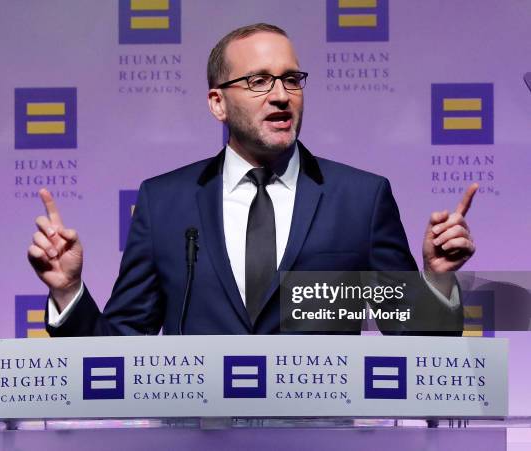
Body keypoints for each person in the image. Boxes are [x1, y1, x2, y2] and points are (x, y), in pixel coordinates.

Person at [27, 23, 477, 336]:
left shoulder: (361, 198)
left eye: (291, 79)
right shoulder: (164, 201)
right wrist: (67, 290)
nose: (281, 96)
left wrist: (436, 280)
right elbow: (118, 347)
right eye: (259, 80)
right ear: (217, 103)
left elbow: (417, 338)